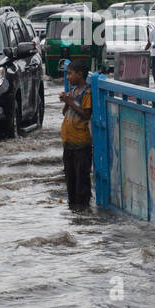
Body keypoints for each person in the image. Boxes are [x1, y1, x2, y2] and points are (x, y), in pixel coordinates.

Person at [59, 61, 92, 210]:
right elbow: (64, 112)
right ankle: (73, 210)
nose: (68, 77)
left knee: (81, 181)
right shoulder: (72, 91)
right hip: (69, 144)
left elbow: (86, 114)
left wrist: (70, 102)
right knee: (70, 180)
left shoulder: (87, 92)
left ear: (80, 75)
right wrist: (66, 101)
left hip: (81, 144)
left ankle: (83, 211)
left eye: (70, 73)